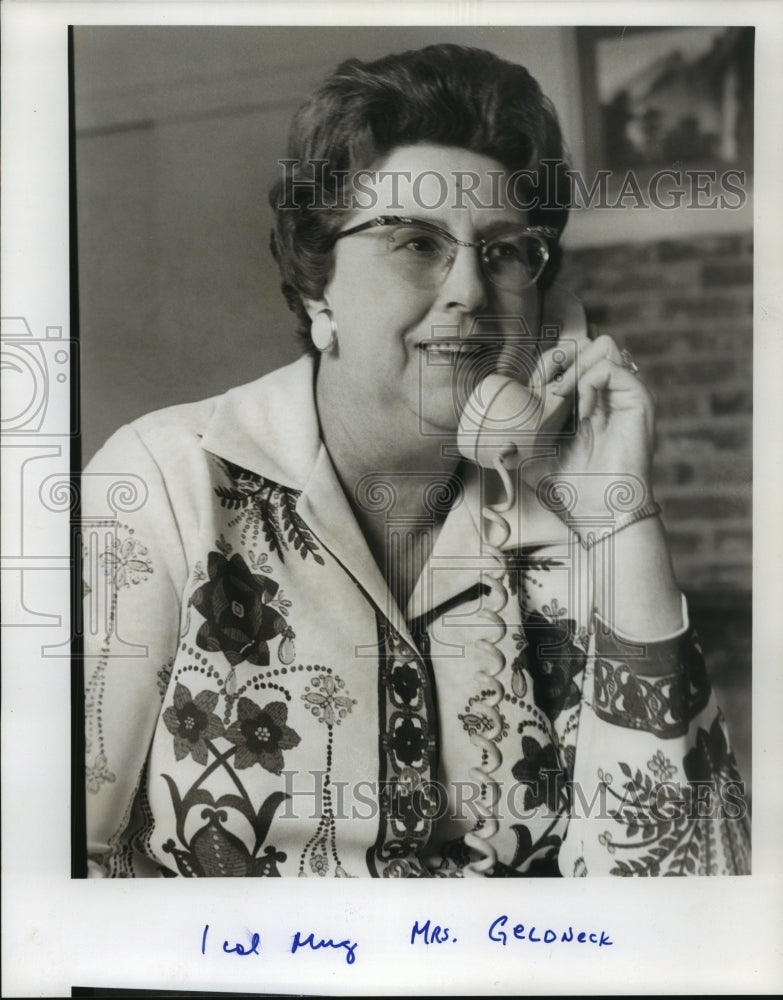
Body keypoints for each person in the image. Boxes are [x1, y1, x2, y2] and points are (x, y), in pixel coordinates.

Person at [83, 43, 750, 878]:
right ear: (316, 287)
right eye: (414, 242)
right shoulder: (165, 481)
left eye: (506, 251)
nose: (470, 289)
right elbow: (62, 858)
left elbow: (690, 885)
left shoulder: (567, 514)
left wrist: (619, 516)